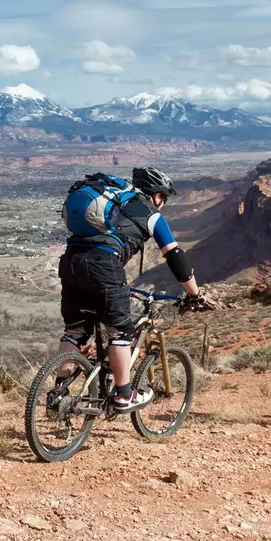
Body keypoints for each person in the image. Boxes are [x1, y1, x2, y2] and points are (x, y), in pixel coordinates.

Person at [55, 166, 212, 412]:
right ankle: (124, 395)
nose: (164, 203)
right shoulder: (152, 215)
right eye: (164, 198)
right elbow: (176, 258)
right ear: (156, 195)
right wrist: (195, 295)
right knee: (120, 333)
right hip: (104, 267)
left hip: (70, 263)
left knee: (74, 332)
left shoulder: (116, 201)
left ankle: (58, 392)